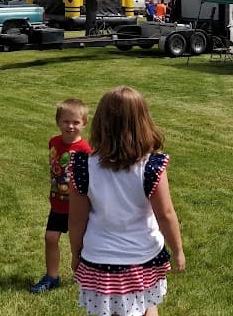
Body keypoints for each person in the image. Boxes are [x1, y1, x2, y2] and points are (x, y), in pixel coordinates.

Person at [69, 86, 185, 316]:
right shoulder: (151, 167)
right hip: (143, 256)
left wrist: (76, 253)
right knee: (147, 304)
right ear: (143, 123)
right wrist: (178, 250)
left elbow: (76, 220)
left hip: (99, 257)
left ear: (100, 123)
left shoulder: (83, 166)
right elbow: (165, 214)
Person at [31, 99, 93, 294]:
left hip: (77, 207)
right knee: (50, 238)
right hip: (58, 204)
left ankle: (87, 277)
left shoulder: (85, 150)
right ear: (58, 122)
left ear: (84, 124)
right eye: (66, 121)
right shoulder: (54, 142)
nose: (70, 126)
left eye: (76, 122)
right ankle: (52, 276)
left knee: (81, 244)